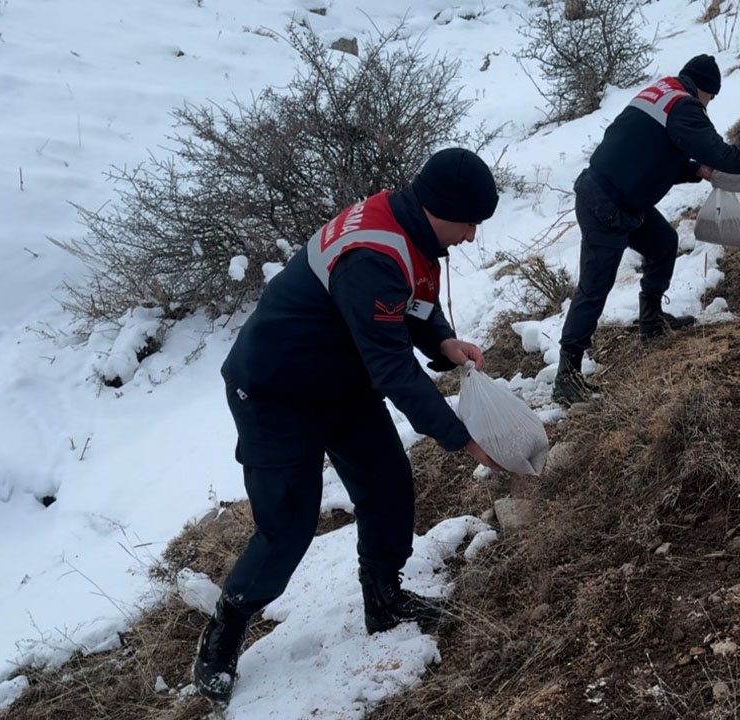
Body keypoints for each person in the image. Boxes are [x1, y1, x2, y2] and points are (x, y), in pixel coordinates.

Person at [193, 148, 511, 705]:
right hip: (275, 390)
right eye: (470, 223)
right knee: (288, 525)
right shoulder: (372, 252)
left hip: (342, 377)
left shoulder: (409, 224)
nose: (471, 236)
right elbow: (391, 366)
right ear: (442, 209)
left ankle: (383, 599)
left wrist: (442, 341)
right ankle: (226, 626)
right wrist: (461, 435)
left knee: (387, 485)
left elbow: (409, 300)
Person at [552, 54, 740, 406]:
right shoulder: (685, 107)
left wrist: (694, 171)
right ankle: (567, 374)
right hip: (606, 205)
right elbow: (718, 152)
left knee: (663, 243)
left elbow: (650, 155)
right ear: (706, 90)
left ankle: (651, 320)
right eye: (711, 98)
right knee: (595, 287)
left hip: (616, 196)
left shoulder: (661, 93)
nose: (708, 105)